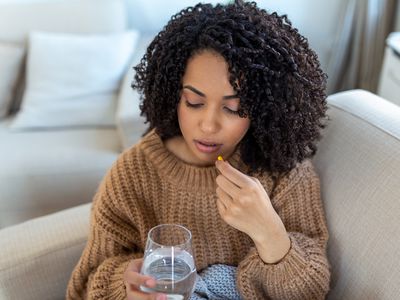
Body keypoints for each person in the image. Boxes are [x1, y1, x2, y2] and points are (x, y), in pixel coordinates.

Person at [66, 0, 331, 299]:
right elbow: (89, 282)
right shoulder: (132, 175)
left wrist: (269, 232)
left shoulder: (282, 170)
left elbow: (311, 290)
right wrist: (124, 289)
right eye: (194, 102)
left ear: (262, 109)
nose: (208, 125)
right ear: (172, 95)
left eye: (233, 108)